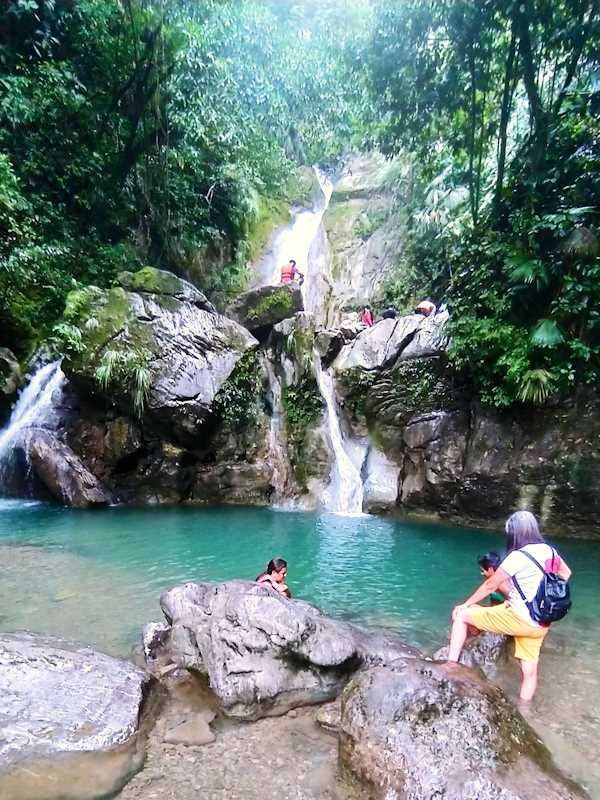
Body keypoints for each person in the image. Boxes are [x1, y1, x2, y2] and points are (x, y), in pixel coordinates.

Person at [447, 511, 571, 702]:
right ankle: (524, 709)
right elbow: (566, 573)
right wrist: (542, 593)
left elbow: (490, 585)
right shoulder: (550, 552)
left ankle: (450, 666)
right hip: (541, 623)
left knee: (462, 615)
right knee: (529, 673)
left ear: (515, 533)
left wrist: (466, 604)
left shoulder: (518, 556)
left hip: (519, 618)